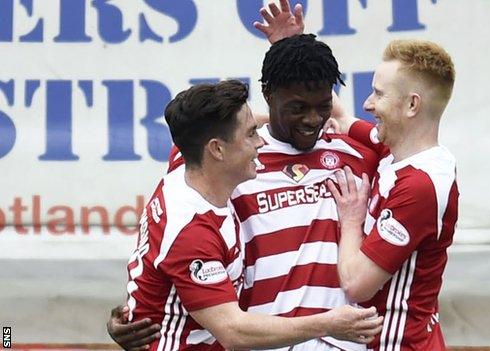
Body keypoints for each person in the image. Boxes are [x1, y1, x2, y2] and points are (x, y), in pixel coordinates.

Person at [108, 3, 382, 350]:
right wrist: (137, 313)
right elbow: (165, 252)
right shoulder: (228, 162)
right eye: (297, 108)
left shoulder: (356, 154)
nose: (313, 120)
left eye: (322, 106)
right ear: (268, 96)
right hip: (257, 340)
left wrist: (291, 50)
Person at [327, 39, 459, 350]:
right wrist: (289, 43)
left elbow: (356, 284)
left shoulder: (419, 187)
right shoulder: (395, 147)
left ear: (412, 105)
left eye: (379, 94)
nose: (368, 104)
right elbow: (342, 118)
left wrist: (350, 220)